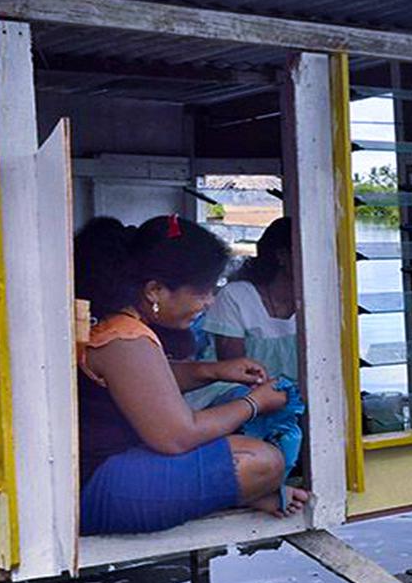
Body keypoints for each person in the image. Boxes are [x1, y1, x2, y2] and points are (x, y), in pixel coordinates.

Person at [73, 215, 307, 535]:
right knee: (262, 461)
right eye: (202, 292)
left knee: (245, 451)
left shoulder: (118, 325)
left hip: (106, 470)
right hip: (96, 488)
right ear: (155, 290)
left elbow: (144, 382)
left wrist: (211, 370)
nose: (209, 302)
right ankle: (241, 494)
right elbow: (178, 436)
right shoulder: (125, 338)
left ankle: (236, 494)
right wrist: (255, 402)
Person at [204, 218, 299, 384]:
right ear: (282, 256)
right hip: (245, 396)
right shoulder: (235, 297)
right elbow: (236, 373)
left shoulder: (319, 301)